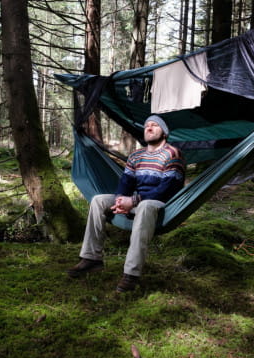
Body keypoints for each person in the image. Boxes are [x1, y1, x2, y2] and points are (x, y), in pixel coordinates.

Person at [67, 115, 186, 292]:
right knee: (99, 201)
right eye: (147, 126)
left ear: (164, 132)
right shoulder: (136, 156)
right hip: (136, 200)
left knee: (145, 206)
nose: (149, 128)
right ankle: (92, 259)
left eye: (155, 125)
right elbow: (126, 182)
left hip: (162, 205)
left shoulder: (172, 154)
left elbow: (167, 188)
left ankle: (131, 274)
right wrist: (120, 200)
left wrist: (134, 201)